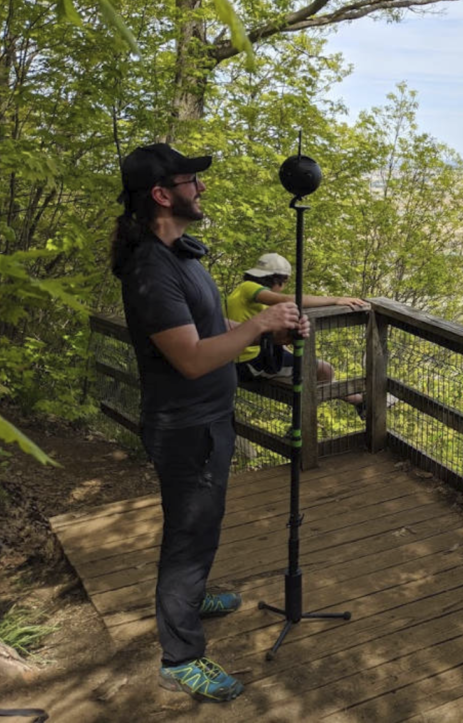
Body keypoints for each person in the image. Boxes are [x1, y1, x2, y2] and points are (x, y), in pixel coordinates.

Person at [111, 143, 308, 703]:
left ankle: (191, 599)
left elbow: (213, 323)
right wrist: (264, 319)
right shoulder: (150, 269)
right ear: (161, 194)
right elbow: (192, 358)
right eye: (190, 181)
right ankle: (181, 657)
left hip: (208, 419)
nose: (201, 188)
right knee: (189, 537)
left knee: (204, 526)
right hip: (184, 427)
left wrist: (267, 331)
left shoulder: (180, 255)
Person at [225, 253, 367, 413]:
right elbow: (287, 300)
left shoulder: (246, 295)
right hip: (248, 363)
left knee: (314, 379)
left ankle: (359, 401)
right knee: (324, 371)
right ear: (279, 279)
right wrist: (335, 300)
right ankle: (302, 425)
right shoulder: (248, 287)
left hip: (243, 360)